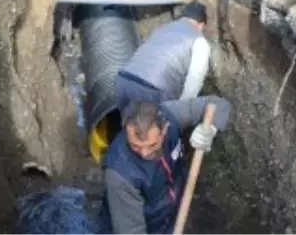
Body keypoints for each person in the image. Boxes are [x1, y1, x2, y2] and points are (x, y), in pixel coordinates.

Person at [98, 97, 232, 235]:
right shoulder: (120, 174)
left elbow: (219, 104)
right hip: (140, 224)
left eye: (152, 145)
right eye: (135, 146)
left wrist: (209, 129)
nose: (144, 153)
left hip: (170, 214)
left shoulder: (172, 116)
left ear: (165, 128)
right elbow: (131, 231)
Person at [115, 2, 211, 112]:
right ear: (201, 24)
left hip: (124, 81)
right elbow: (194, 81)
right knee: (158, 127)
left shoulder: (163, 28)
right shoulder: (200, 41)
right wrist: (180, 111)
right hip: (152, 91)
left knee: (130, 126)